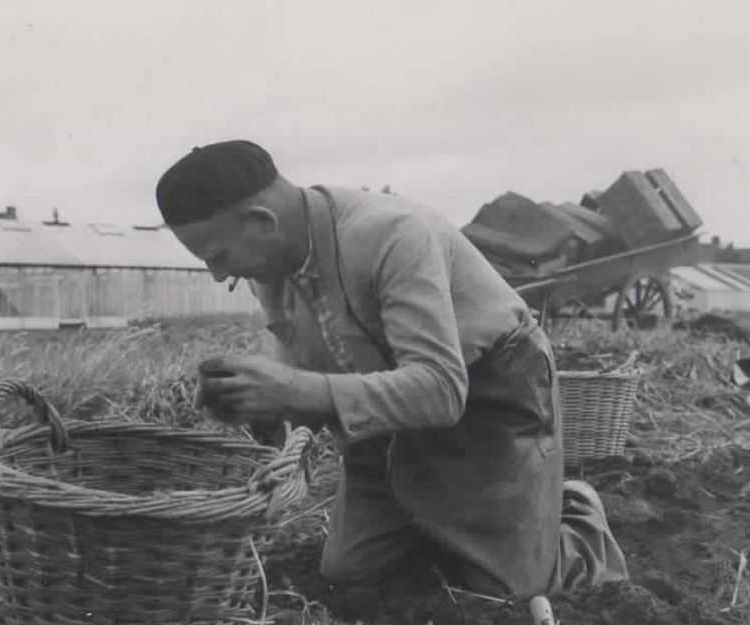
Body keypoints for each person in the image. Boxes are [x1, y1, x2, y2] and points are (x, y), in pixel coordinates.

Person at [155, 140, 628, 598]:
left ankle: (572, 511)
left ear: (263, 220)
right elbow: (304, 380)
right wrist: (258, 406)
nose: (219, 275)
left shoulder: (392, 235)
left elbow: (441, 391)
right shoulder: (269, 268)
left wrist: (294, 391)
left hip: (488, 391)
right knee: (351, 572)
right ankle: (456, 519)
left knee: (507, 590)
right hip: (386, 408)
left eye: (218, 257)